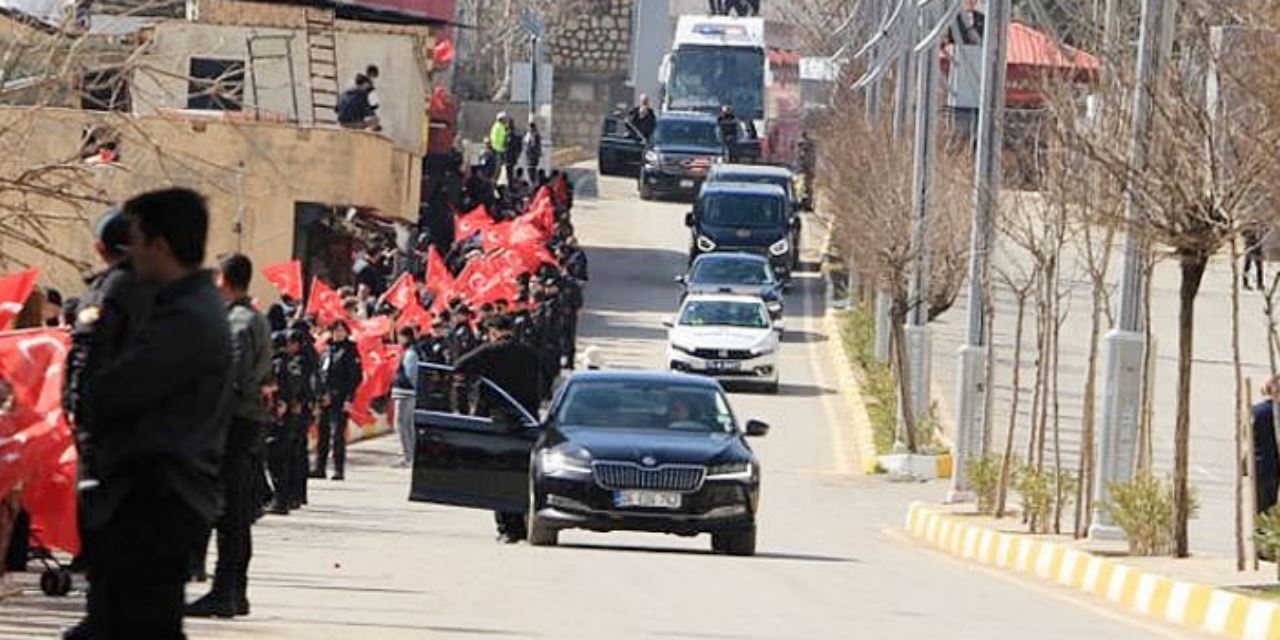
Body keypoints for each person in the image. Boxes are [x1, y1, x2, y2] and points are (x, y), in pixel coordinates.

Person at [76, 188, 231, 639]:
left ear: (161, 245)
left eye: (139, 240)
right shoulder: (175, 306)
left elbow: (111, 392)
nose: (132, 254)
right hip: (144, 496)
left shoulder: (188, 317)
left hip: (159, 499)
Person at [187, 253, 273, 619]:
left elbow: (232, 378)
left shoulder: (237, 321)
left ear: (223, 278)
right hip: (247, 422)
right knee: (237, 511)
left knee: (227, 511)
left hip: (232, 423)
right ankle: (235, 591)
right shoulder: (254, 317)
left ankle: (225, 591)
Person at [452, 316, 543, 543]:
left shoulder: (491, 351)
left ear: (493, 331)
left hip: (498, 421)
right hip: (527, 420)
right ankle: (522, 526)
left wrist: (476, 382)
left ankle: (507, 529)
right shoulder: (530, 353)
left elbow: (459, 365)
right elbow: (548, 376)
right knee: (521, 475)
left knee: (498, 475)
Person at [315, 319, 362, 480]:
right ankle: (319, 467)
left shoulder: (350, 351)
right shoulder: (327, 349)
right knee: (323, 433)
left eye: (342, 330)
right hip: (325, 398)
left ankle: (338, 469)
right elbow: (321, 374)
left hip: (340, 398)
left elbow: (355, 377)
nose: (338, 333)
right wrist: (321, 394)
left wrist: (349, 399)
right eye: (335, 330)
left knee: (337, 435)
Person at [391, 326, 419, 468]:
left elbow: (410, 375)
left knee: (402, 425)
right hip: (403, 393)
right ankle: (409, 455)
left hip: (405, 394)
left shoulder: (410, 354)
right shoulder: (408, 352)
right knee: (406, 425)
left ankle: (407, 456)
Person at [1254, 377, 1280, 521]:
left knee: (1263, 509)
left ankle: (1262, 539)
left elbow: (1249, 438)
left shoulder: (1257, 411)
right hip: (1274, 464)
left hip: (1262, 464)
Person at [1244, 226, 1267, 291]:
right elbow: (1243, 233)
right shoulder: (1247, 226)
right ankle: (1245, 283)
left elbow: (1264, 235)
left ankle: (1260, 284)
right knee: (1247, 266)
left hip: (1258, 249)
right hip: (1249, 248)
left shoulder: (1261, 227)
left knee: (1259, 267)